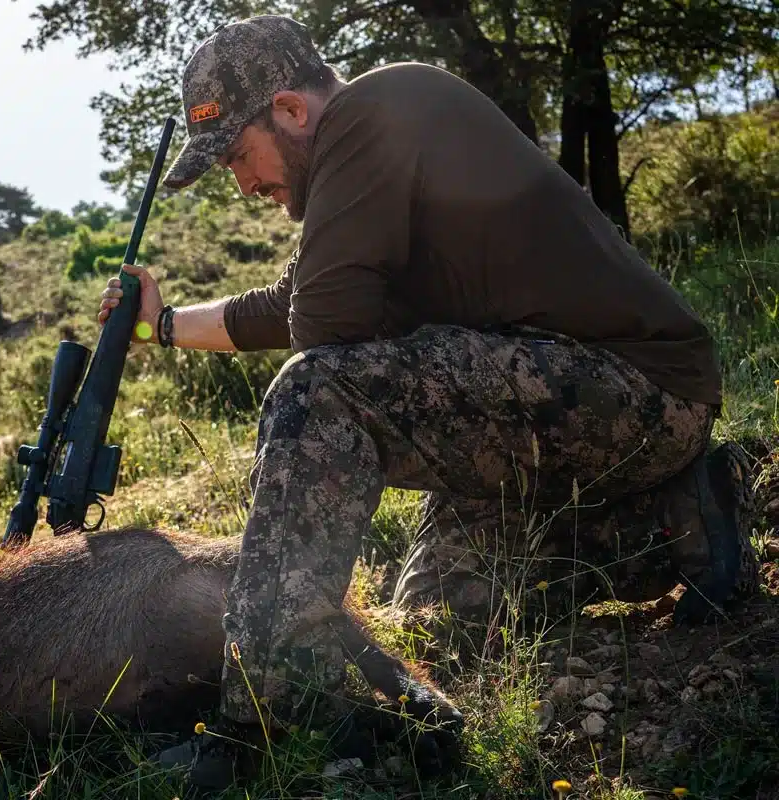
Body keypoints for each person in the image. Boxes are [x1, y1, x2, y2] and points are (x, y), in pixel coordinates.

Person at [96, 13, 758, 791]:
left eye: (239, 156)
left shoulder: (381, 107)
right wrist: (163, 326)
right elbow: (295, 302)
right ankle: (677, 522)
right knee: (446, 613)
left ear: (291, 110)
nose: (243, 185)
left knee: (317, 391)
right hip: (588, 409)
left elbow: (320, 327)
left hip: (633, 387)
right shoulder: (370, 148)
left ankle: (267, 711)